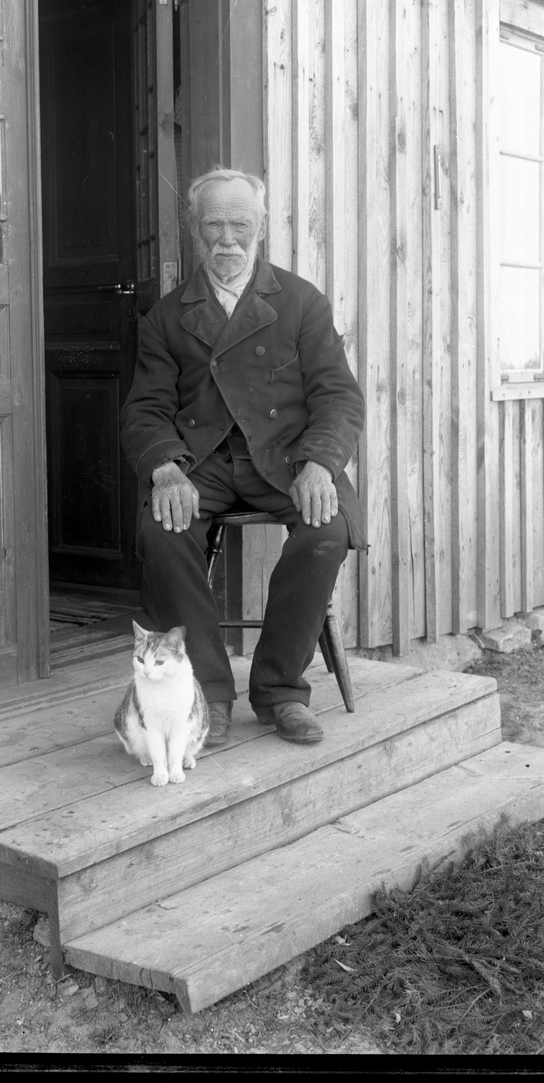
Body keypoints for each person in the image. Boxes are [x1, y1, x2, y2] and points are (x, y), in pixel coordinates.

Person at [120, 168, 367, 749]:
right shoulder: (167, 315)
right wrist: (165, 468)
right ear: (194, 231)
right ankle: (206, 693)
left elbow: (339, 397)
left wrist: (320, 464)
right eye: (214, 226)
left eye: (240, 225)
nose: (227, 240)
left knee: (326, 529)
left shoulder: (301, 302)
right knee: (160, 530)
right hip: (201, 462)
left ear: (261, 226)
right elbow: (146, 409)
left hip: (284, 460)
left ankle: (280, 691)